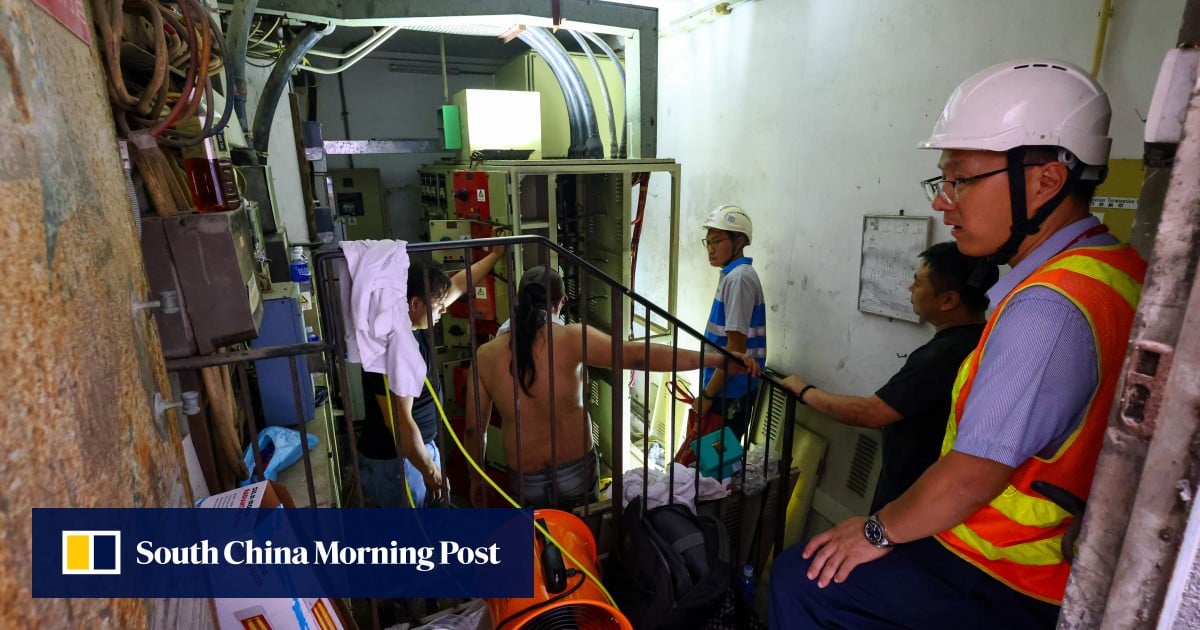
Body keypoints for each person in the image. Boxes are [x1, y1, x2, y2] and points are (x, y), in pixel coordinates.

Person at [769, 59, 1146, 628]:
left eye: (960, 180)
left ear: (1045, 181)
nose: (942, 202)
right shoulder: (1119, 269)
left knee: (806, 579)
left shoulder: (1048, 306)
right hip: (1066, 561)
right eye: (942, 182)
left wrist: (877, 530)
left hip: (1009, 573)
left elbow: (973, 474)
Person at [465, 266, 760, 510]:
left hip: (526, 478)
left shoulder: (486, 355)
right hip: (575, 472)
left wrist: (476, 478)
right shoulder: (571, 338)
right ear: (560, 302)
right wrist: (717, 359)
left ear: (518, 301)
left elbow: (473, 429)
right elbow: (639, 355)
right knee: (584, 540)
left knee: (535, 546)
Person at [780, 241, 995, 513]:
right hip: (938, 491)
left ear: (948, 300)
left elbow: (871, 413)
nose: (910, 289)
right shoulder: (983, 339)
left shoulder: (939, 358)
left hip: (913, 498)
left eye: (918, 283)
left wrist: (803, 390)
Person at [357, 246, 505, 508]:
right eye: (438, 305)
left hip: (419, 452)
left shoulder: (413, 321)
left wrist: (494, 256)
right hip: (399, 463)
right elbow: (400, 423)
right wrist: (429, 471)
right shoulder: (393, 347)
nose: (444, 310)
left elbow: (458, 284)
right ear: (415, 304)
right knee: (412, 530)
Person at [691, 204, 767, 441]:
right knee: (708, 455)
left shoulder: (739, 279)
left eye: (717, 241)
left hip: (730, 390)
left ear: (739, 241)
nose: (710, 249)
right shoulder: (732, 276)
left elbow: (735, 347)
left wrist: (707, 396)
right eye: (708, 242)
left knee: (714, 459)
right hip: (726, 386)